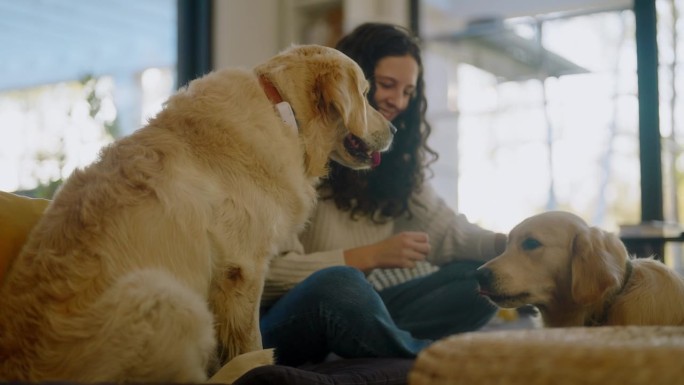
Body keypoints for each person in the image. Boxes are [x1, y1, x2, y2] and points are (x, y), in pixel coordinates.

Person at [259, 22, 507, 366]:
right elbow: (265, 276)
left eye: (408, 92)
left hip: (356, 310)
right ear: (352, 83)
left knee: (483, 280)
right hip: (285, 322)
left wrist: (514, 245)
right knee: (340, 286)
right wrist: (369, 256)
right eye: (388, 85)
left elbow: (450, 233)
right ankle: (429, 359)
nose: (398, 101)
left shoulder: (393, 167)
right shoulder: (294, 152)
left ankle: (366, 344)